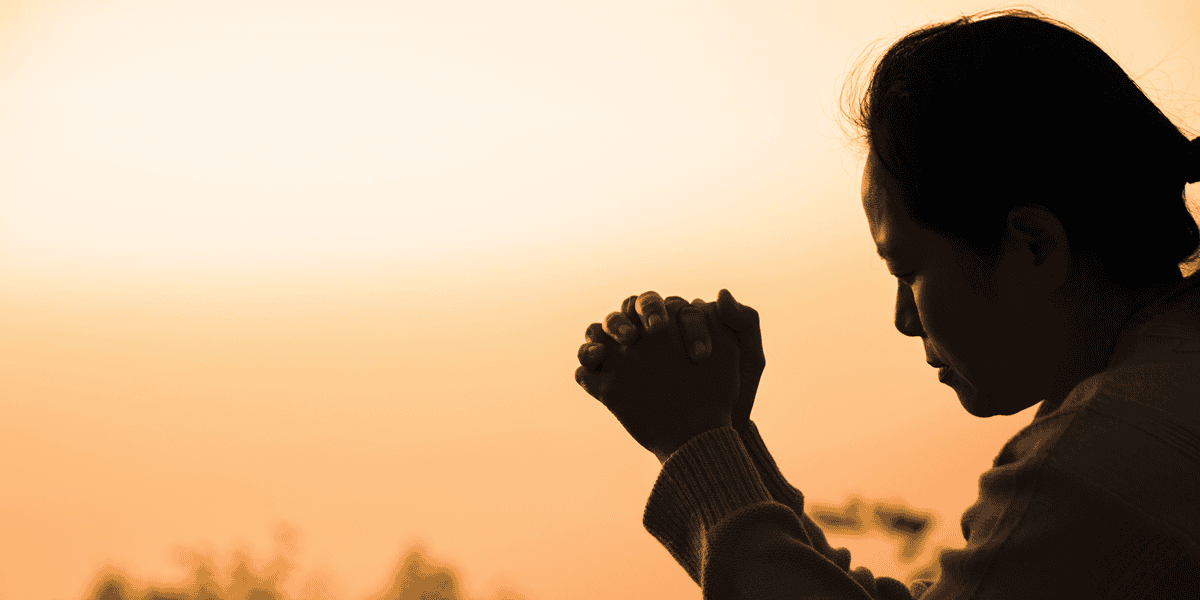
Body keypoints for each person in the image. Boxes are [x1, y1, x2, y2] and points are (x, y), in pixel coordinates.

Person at [573, 9, 1200, 599]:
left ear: (1034, 246)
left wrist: (691, 442)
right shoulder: (1160, 385)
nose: (903, 319)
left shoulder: (1097, 460)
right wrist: (726, 435)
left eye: (909, 270)